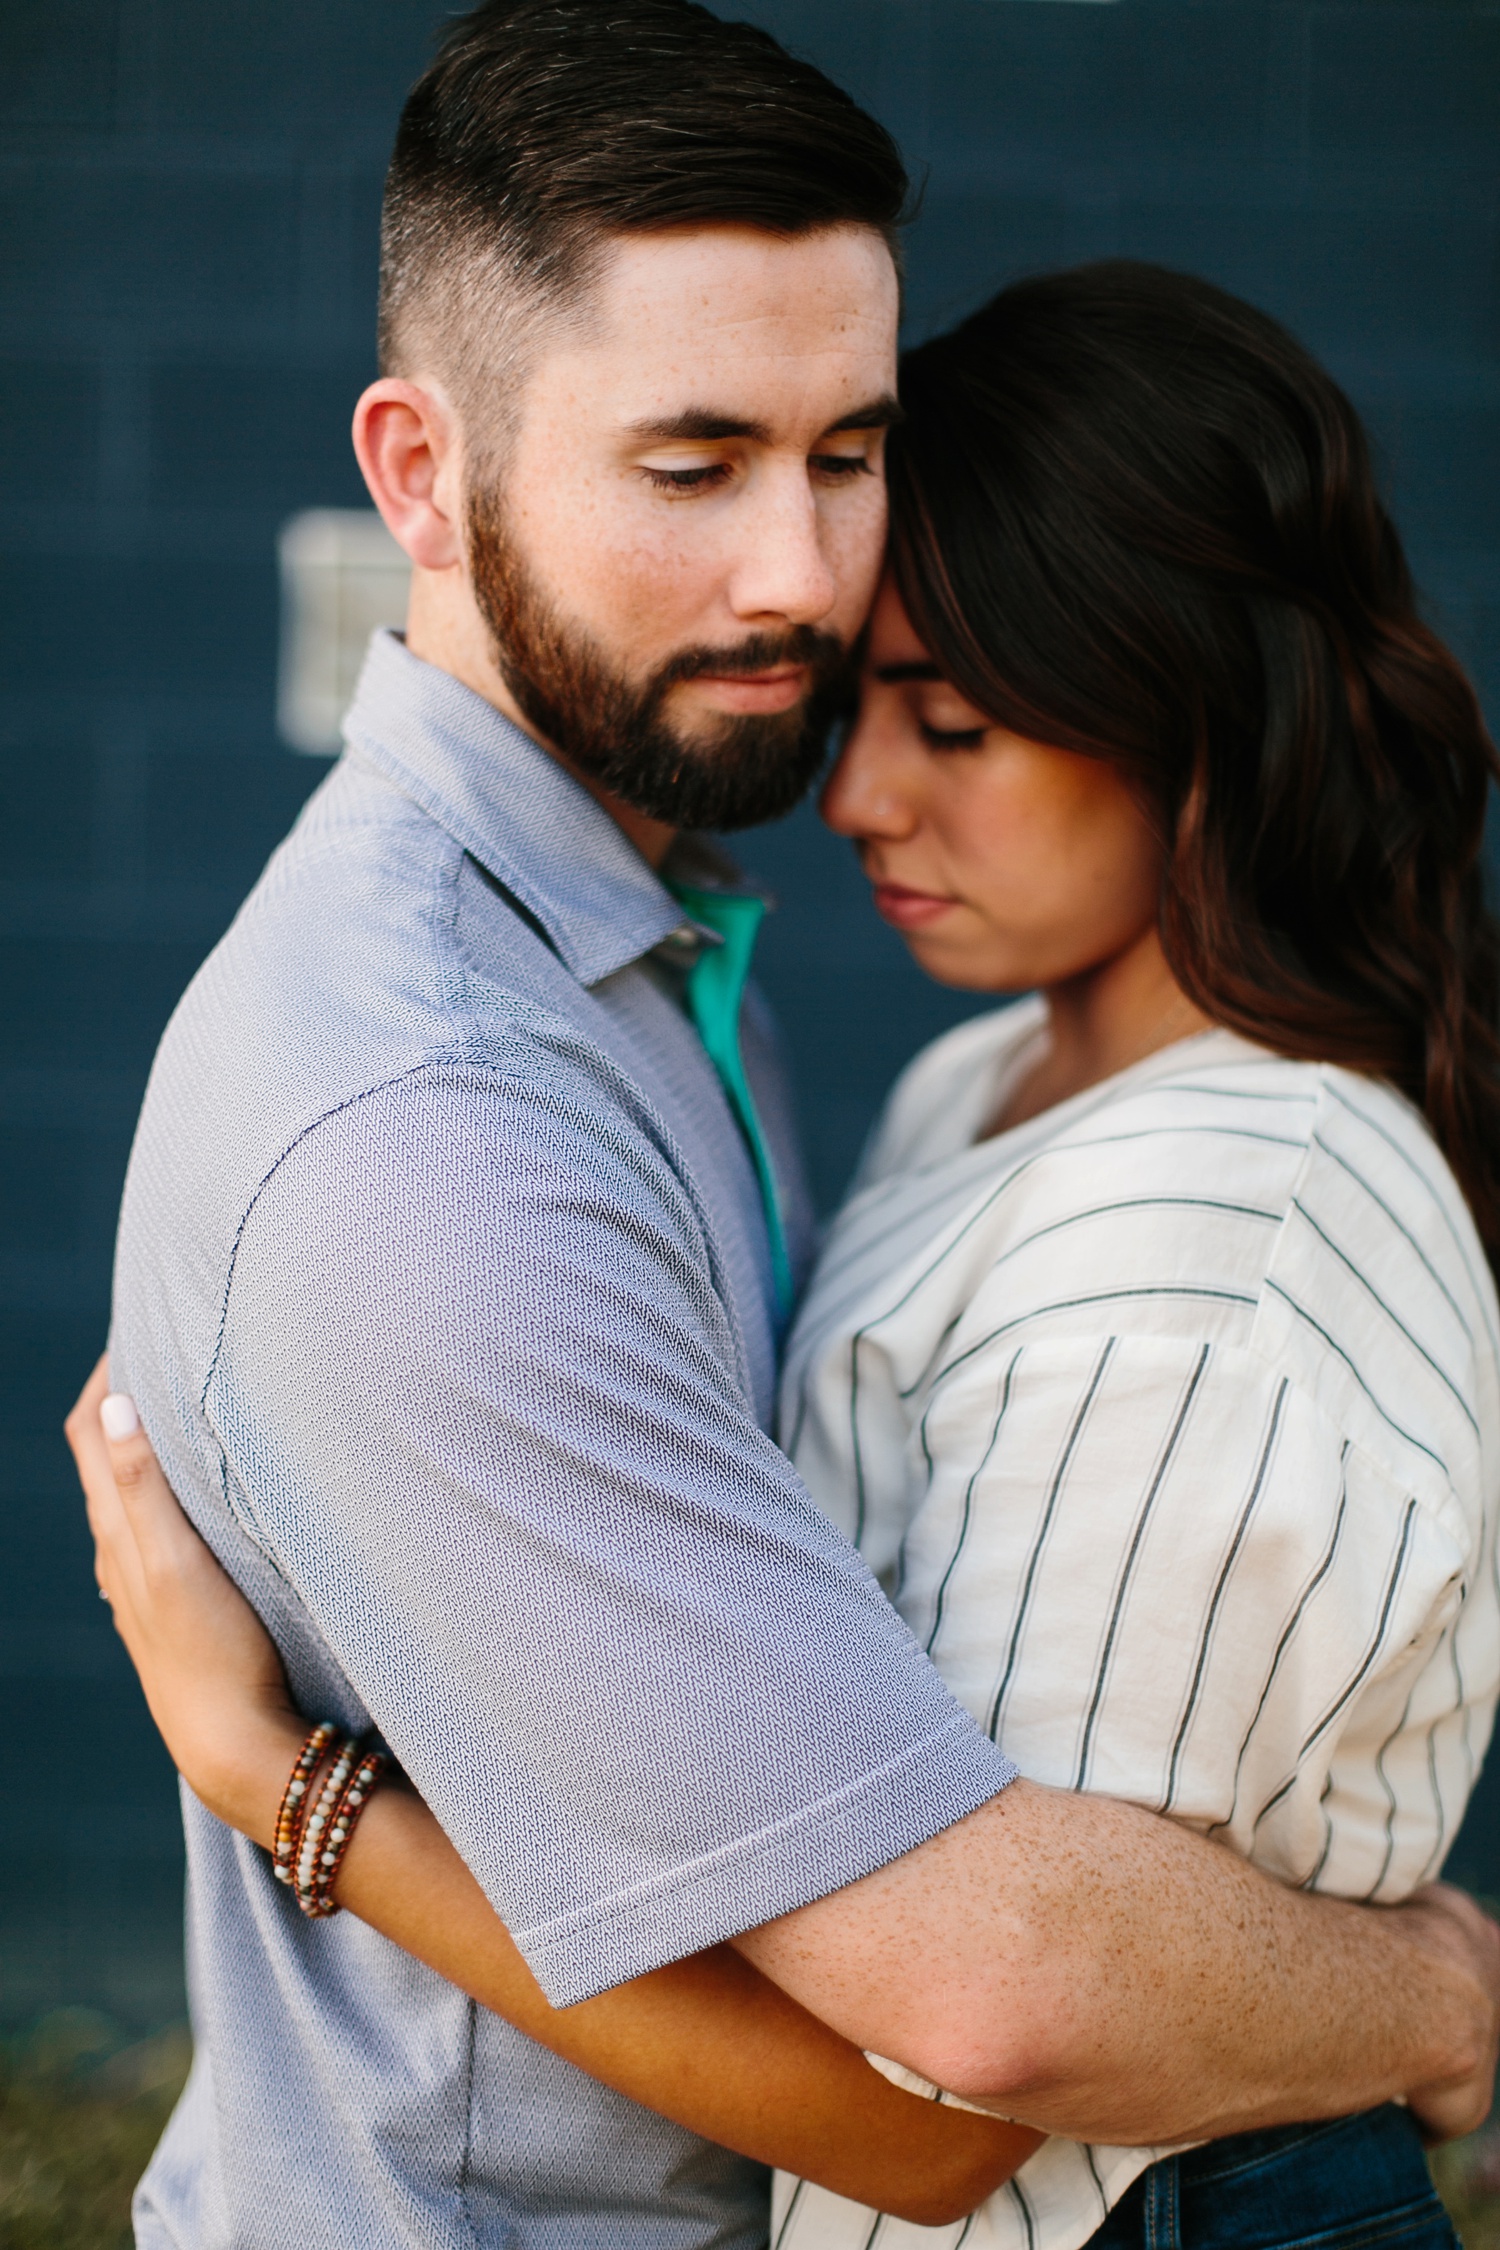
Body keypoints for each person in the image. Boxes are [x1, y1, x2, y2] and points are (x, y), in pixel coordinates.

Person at [82, 0, 1500, 2238]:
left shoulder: (649, 922)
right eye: (693, 464)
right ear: (421, 477)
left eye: (847, 453)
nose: (802, 580)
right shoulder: (432, 1130)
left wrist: (287, 1784)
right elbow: (963, 2059)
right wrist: (1427, 1997)